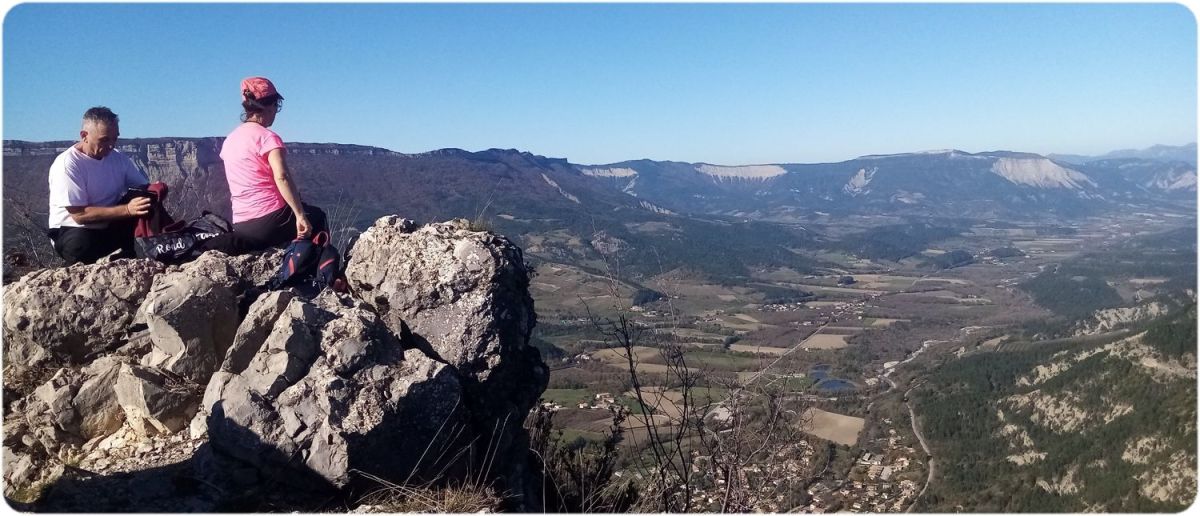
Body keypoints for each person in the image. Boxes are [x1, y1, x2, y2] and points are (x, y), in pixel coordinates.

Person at [203, 76, 325, 255]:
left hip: (242, 224)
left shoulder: (230, 140)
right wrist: (300, 215)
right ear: (268, 106)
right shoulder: (268, 138)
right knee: (317, 216)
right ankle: (320, 276)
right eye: (276, 106)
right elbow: (282, 177)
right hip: (270, 221)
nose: (276, 111)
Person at [47, 107, 151, 265]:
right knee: (81, 246)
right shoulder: (68, 164)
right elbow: (79, 214)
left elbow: (143, 186)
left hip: (109, 223)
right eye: (104, 139)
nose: (111, 145)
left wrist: (154, 192)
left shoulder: (118, 159)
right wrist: (127, 210)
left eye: (114, 139)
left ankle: (150, 250)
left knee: (145, 199)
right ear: (84, 136)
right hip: (72, 229)